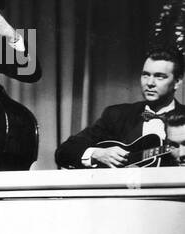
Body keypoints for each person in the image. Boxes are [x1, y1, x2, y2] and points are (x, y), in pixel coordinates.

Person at [55, 50, 185, 167]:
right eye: (145, 75)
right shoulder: (117, 115)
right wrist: (97, 154)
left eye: (159, 76)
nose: (150, 83)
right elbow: (65, 151)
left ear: (178, 81)